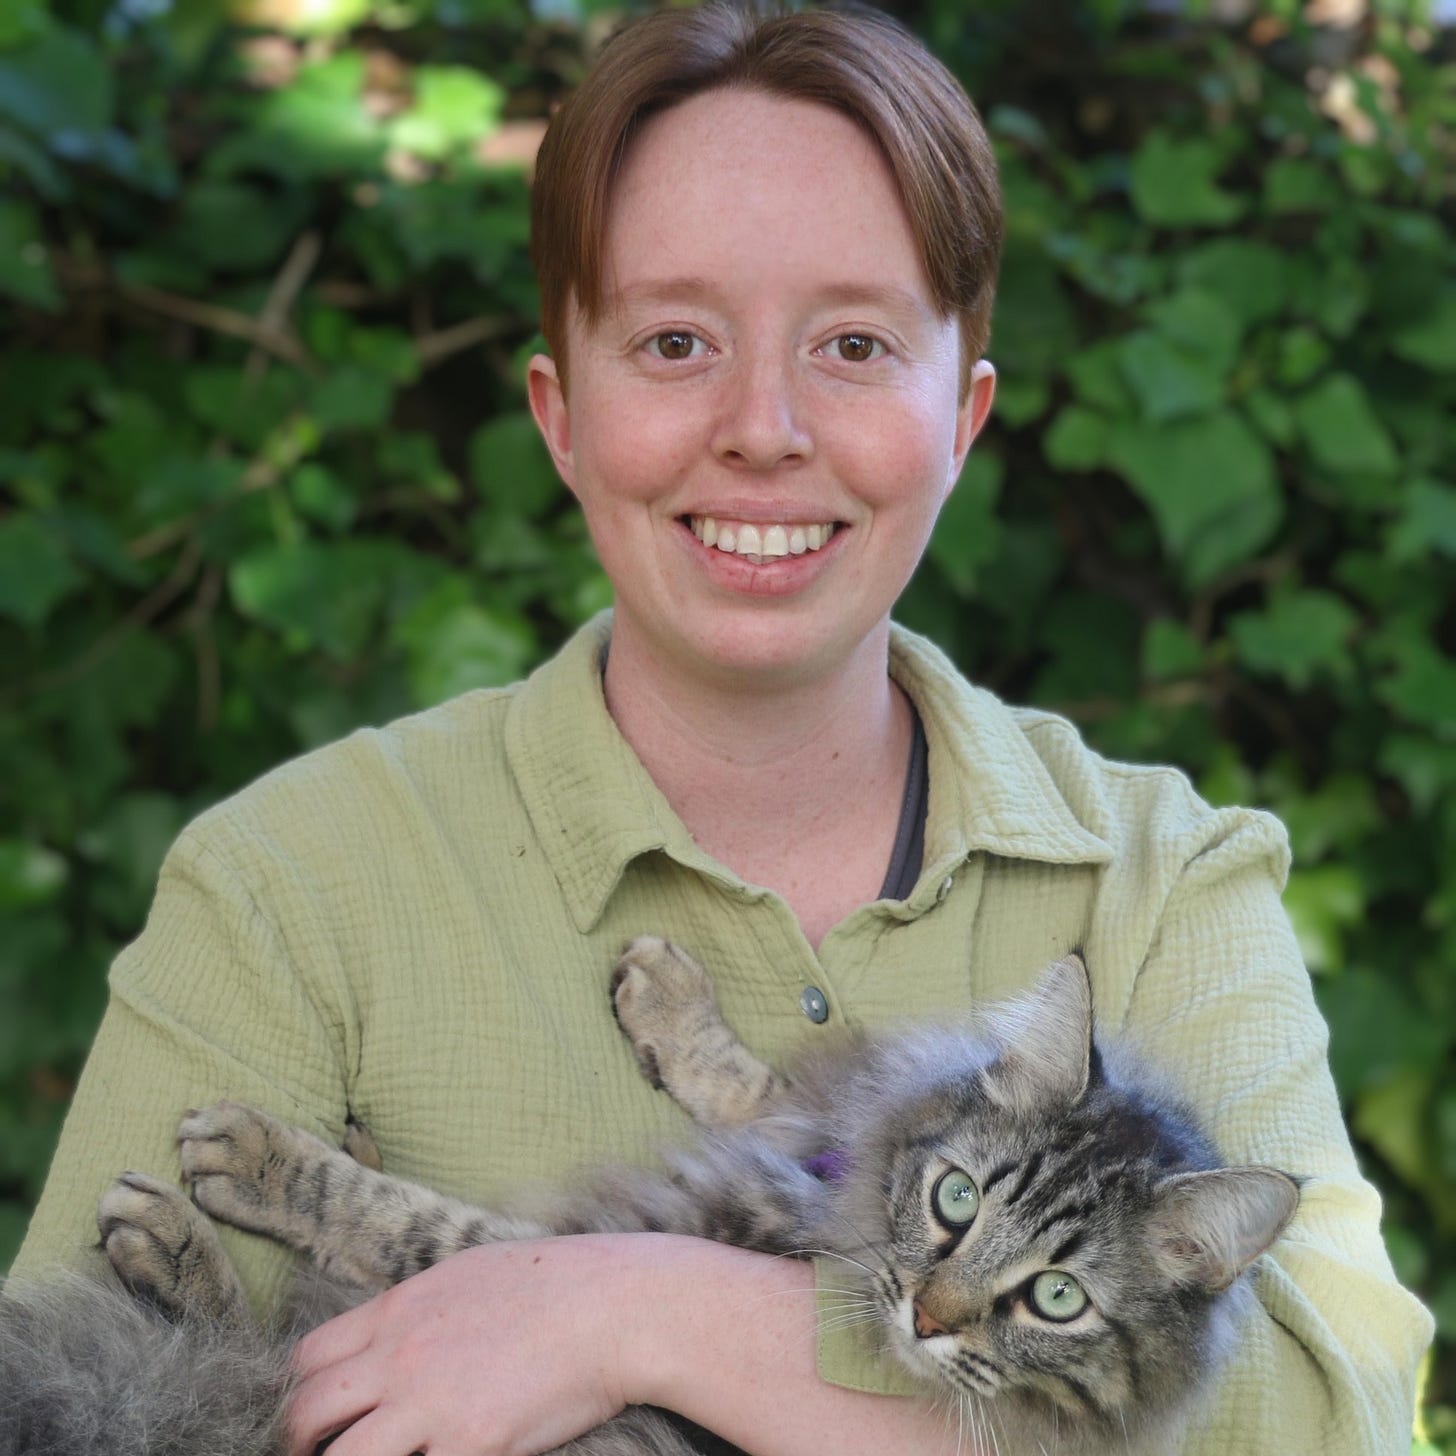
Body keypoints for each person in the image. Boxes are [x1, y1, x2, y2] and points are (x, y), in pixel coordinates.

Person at [12, 5, 1431, 1454]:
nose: (764, 426)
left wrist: (639, 1316)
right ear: (562, 417)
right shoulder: (289, 879)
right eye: (677, 340)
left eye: (855, 343)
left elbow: (1344, 1421)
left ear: (963, 421)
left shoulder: (1167, 878)